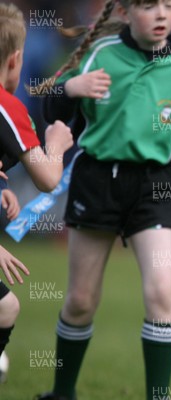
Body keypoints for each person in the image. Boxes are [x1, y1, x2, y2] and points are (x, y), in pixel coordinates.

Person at [34, 1, 171, 399]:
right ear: (122, 11)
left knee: (162, 292)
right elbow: (50, 113)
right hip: (97, 181)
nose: (161, 15)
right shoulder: (99, 56)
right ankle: (62, 393)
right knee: (81, 301)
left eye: (169, 5)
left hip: (156, 187)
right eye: (148, 6)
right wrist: (69, 89)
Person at [0, 1, 74, 382]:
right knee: (5, 308)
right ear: (15, 61)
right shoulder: (9, 109)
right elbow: (47, 179)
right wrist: (57, 144)